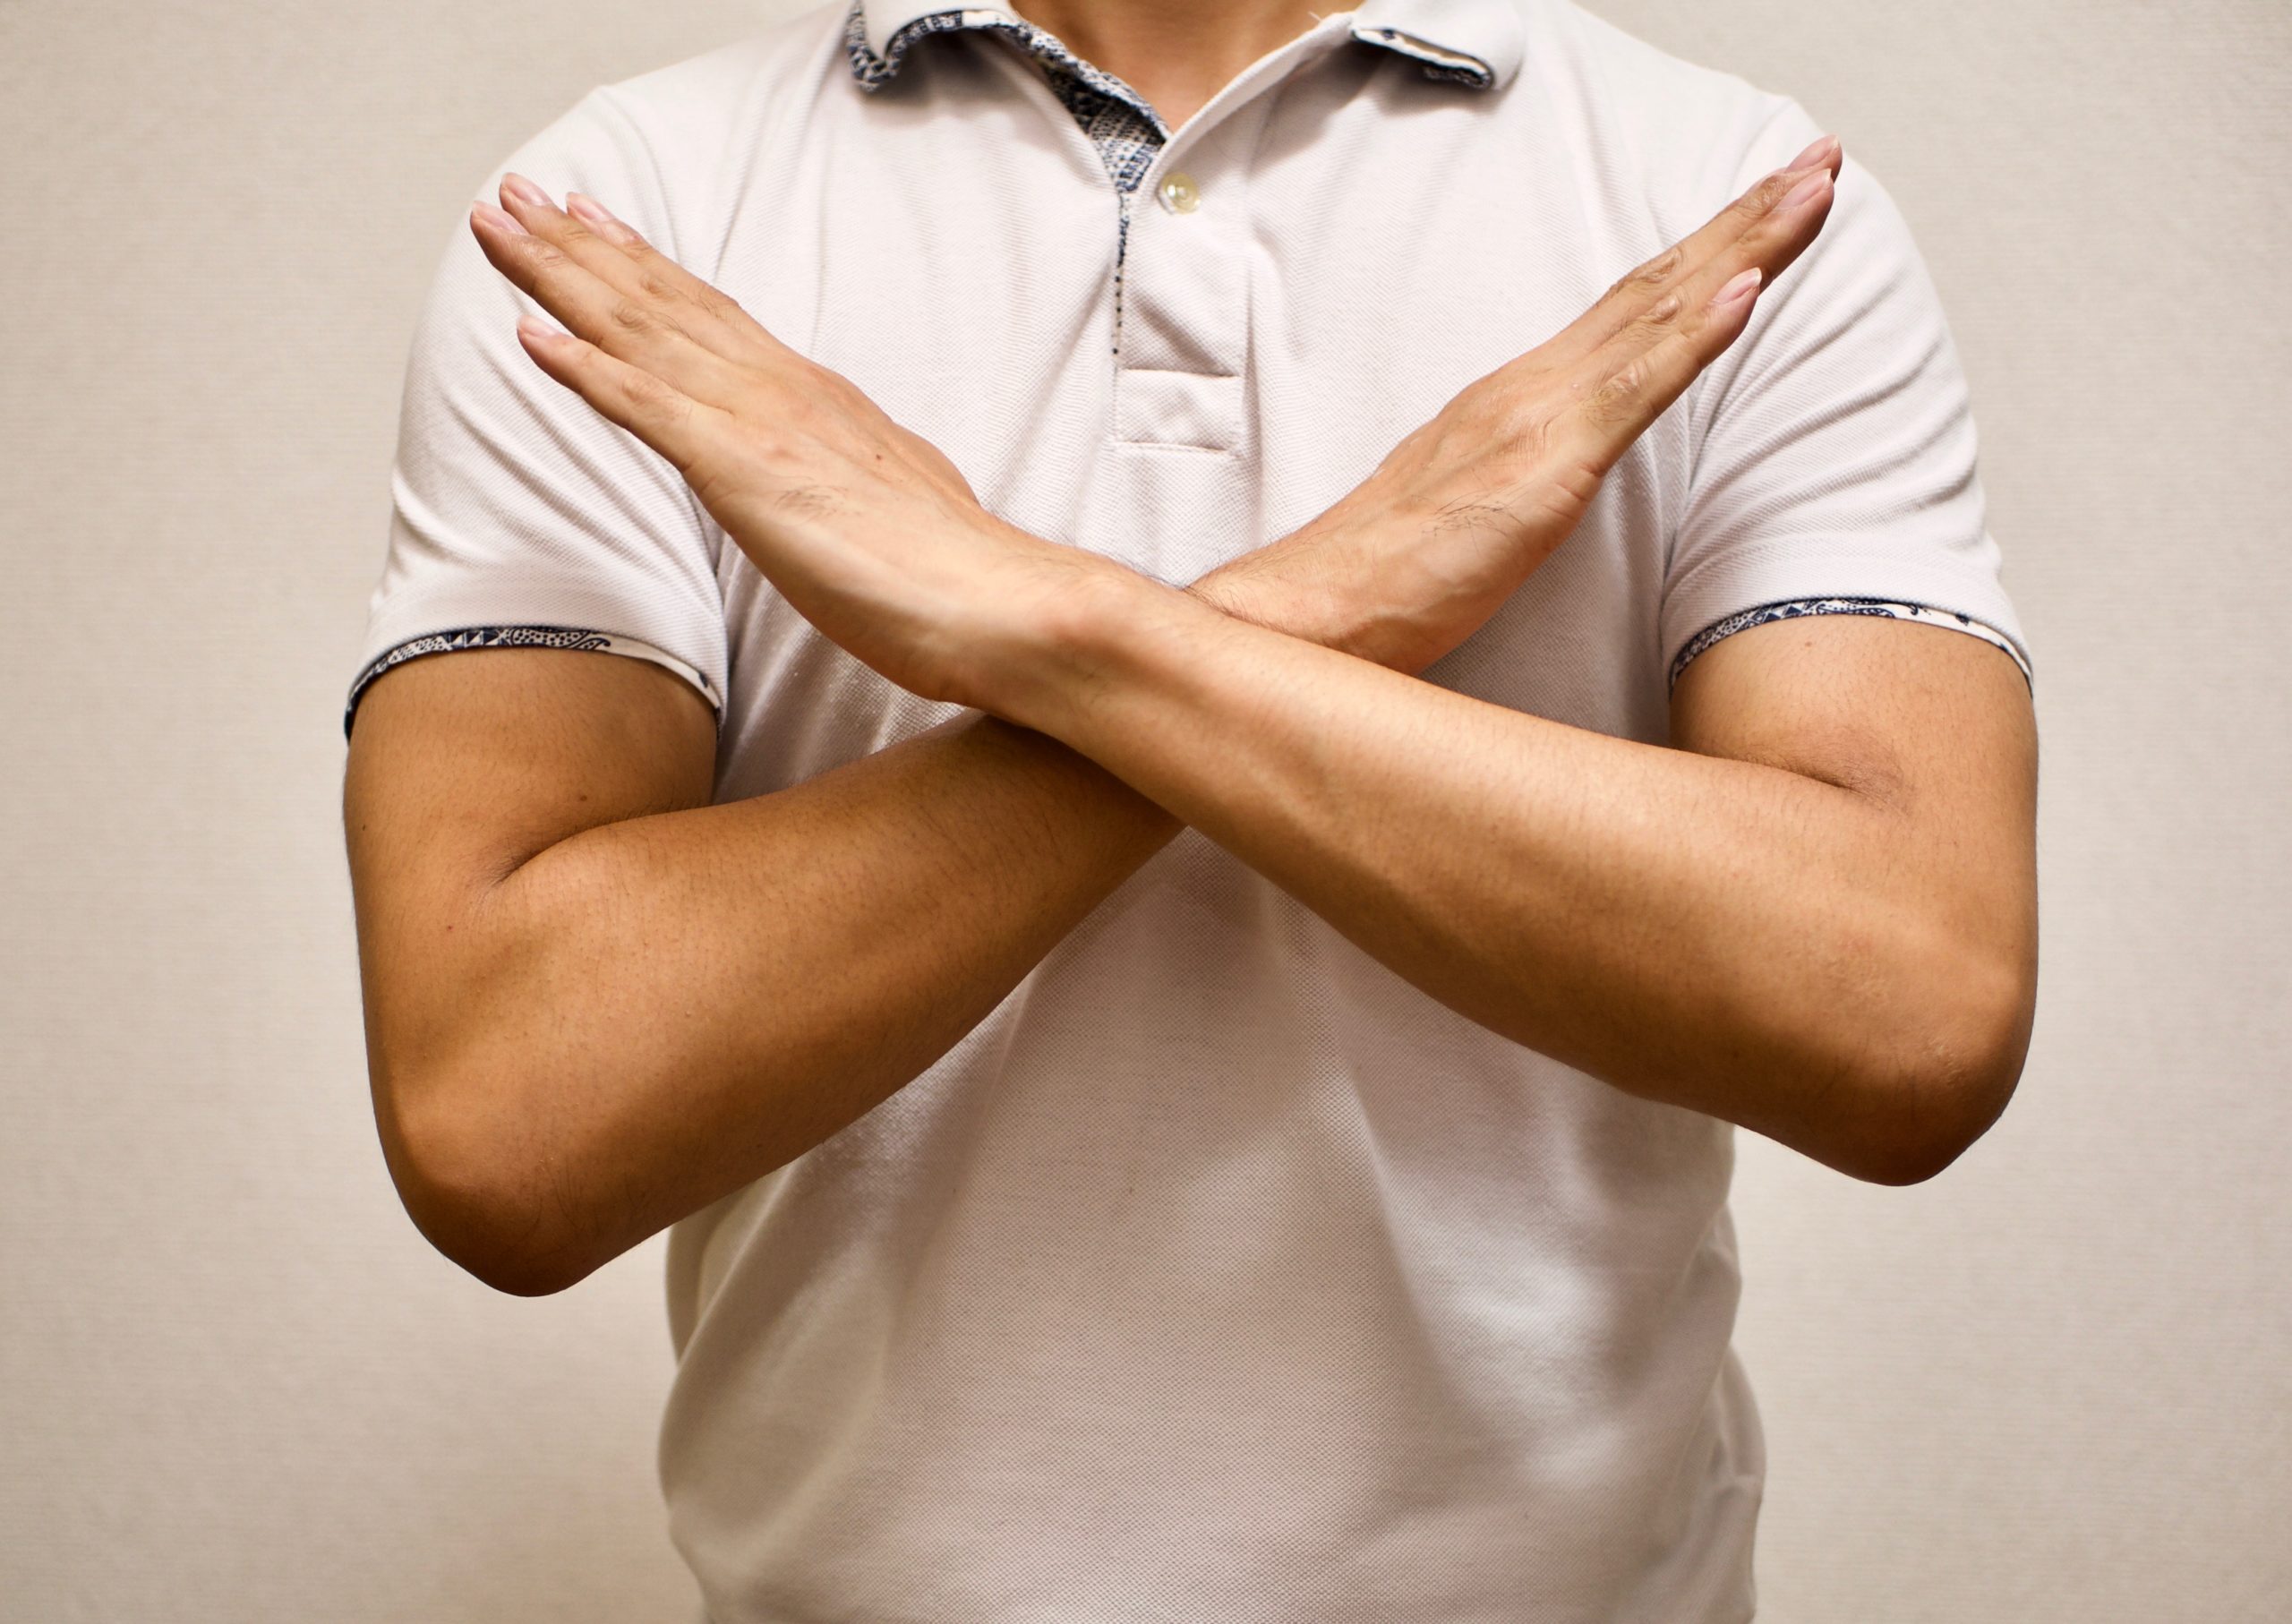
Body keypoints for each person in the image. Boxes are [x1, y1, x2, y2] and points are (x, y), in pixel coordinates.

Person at [340, 0, 2039, 1616]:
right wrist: (1334, 594)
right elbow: (507, 1121)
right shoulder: (620, 236)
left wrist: (1051, 621)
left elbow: (1909, 1009)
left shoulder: (1724, 214)